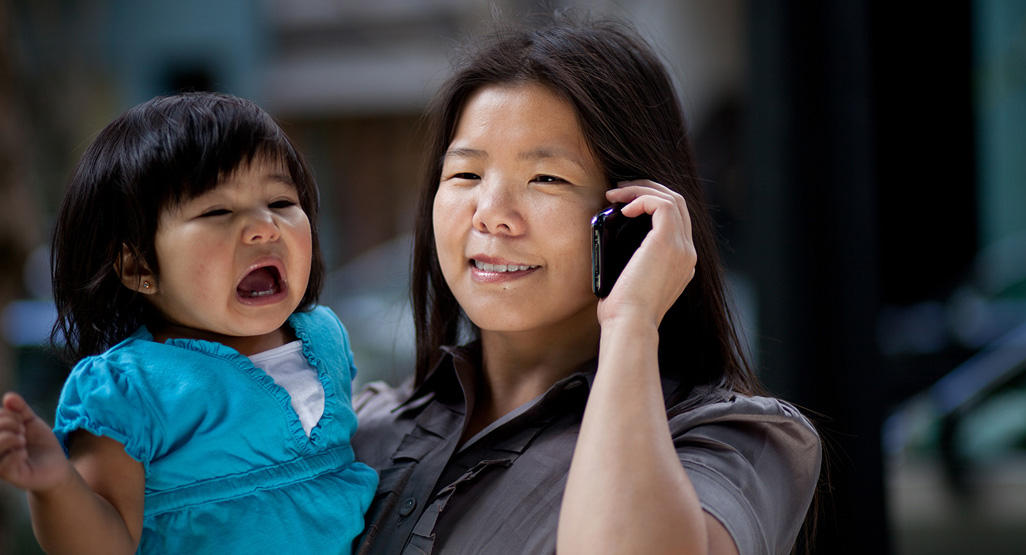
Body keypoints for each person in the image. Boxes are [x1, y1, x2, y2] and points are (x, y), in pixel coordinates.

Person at [351, 17, 821, 555]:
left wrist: (630, 322)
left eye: (547, 178)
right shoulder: (363, 429)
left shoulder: (734, 442)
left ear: (632, 215)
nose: (492, 214)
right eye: (466, 175)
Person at [0, 92, 377, 553]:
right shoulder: (129, 388)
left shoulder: (325, 337)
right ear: (139, 267)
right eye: (217, 211)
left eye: (280, 201)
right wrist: (56, 485)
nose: (265, 227)